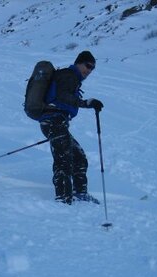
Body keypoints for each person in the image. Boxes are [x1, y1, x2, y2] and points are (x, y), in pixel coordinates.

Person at [39, 50, 104, 205]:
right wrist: (85, 102)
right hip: (53, 121)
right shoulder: (68, 75)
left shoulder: (72, 78)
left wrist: (87, 103)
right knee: (63, 159)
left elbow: (67, 98)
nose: (89, 71)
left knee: (79, 157)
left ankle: (80, 193)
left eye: (92, 68)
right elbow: (61, 97)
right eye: (87, 66)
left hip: (57, 123)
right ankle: (63, 198)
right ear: (78, 63)